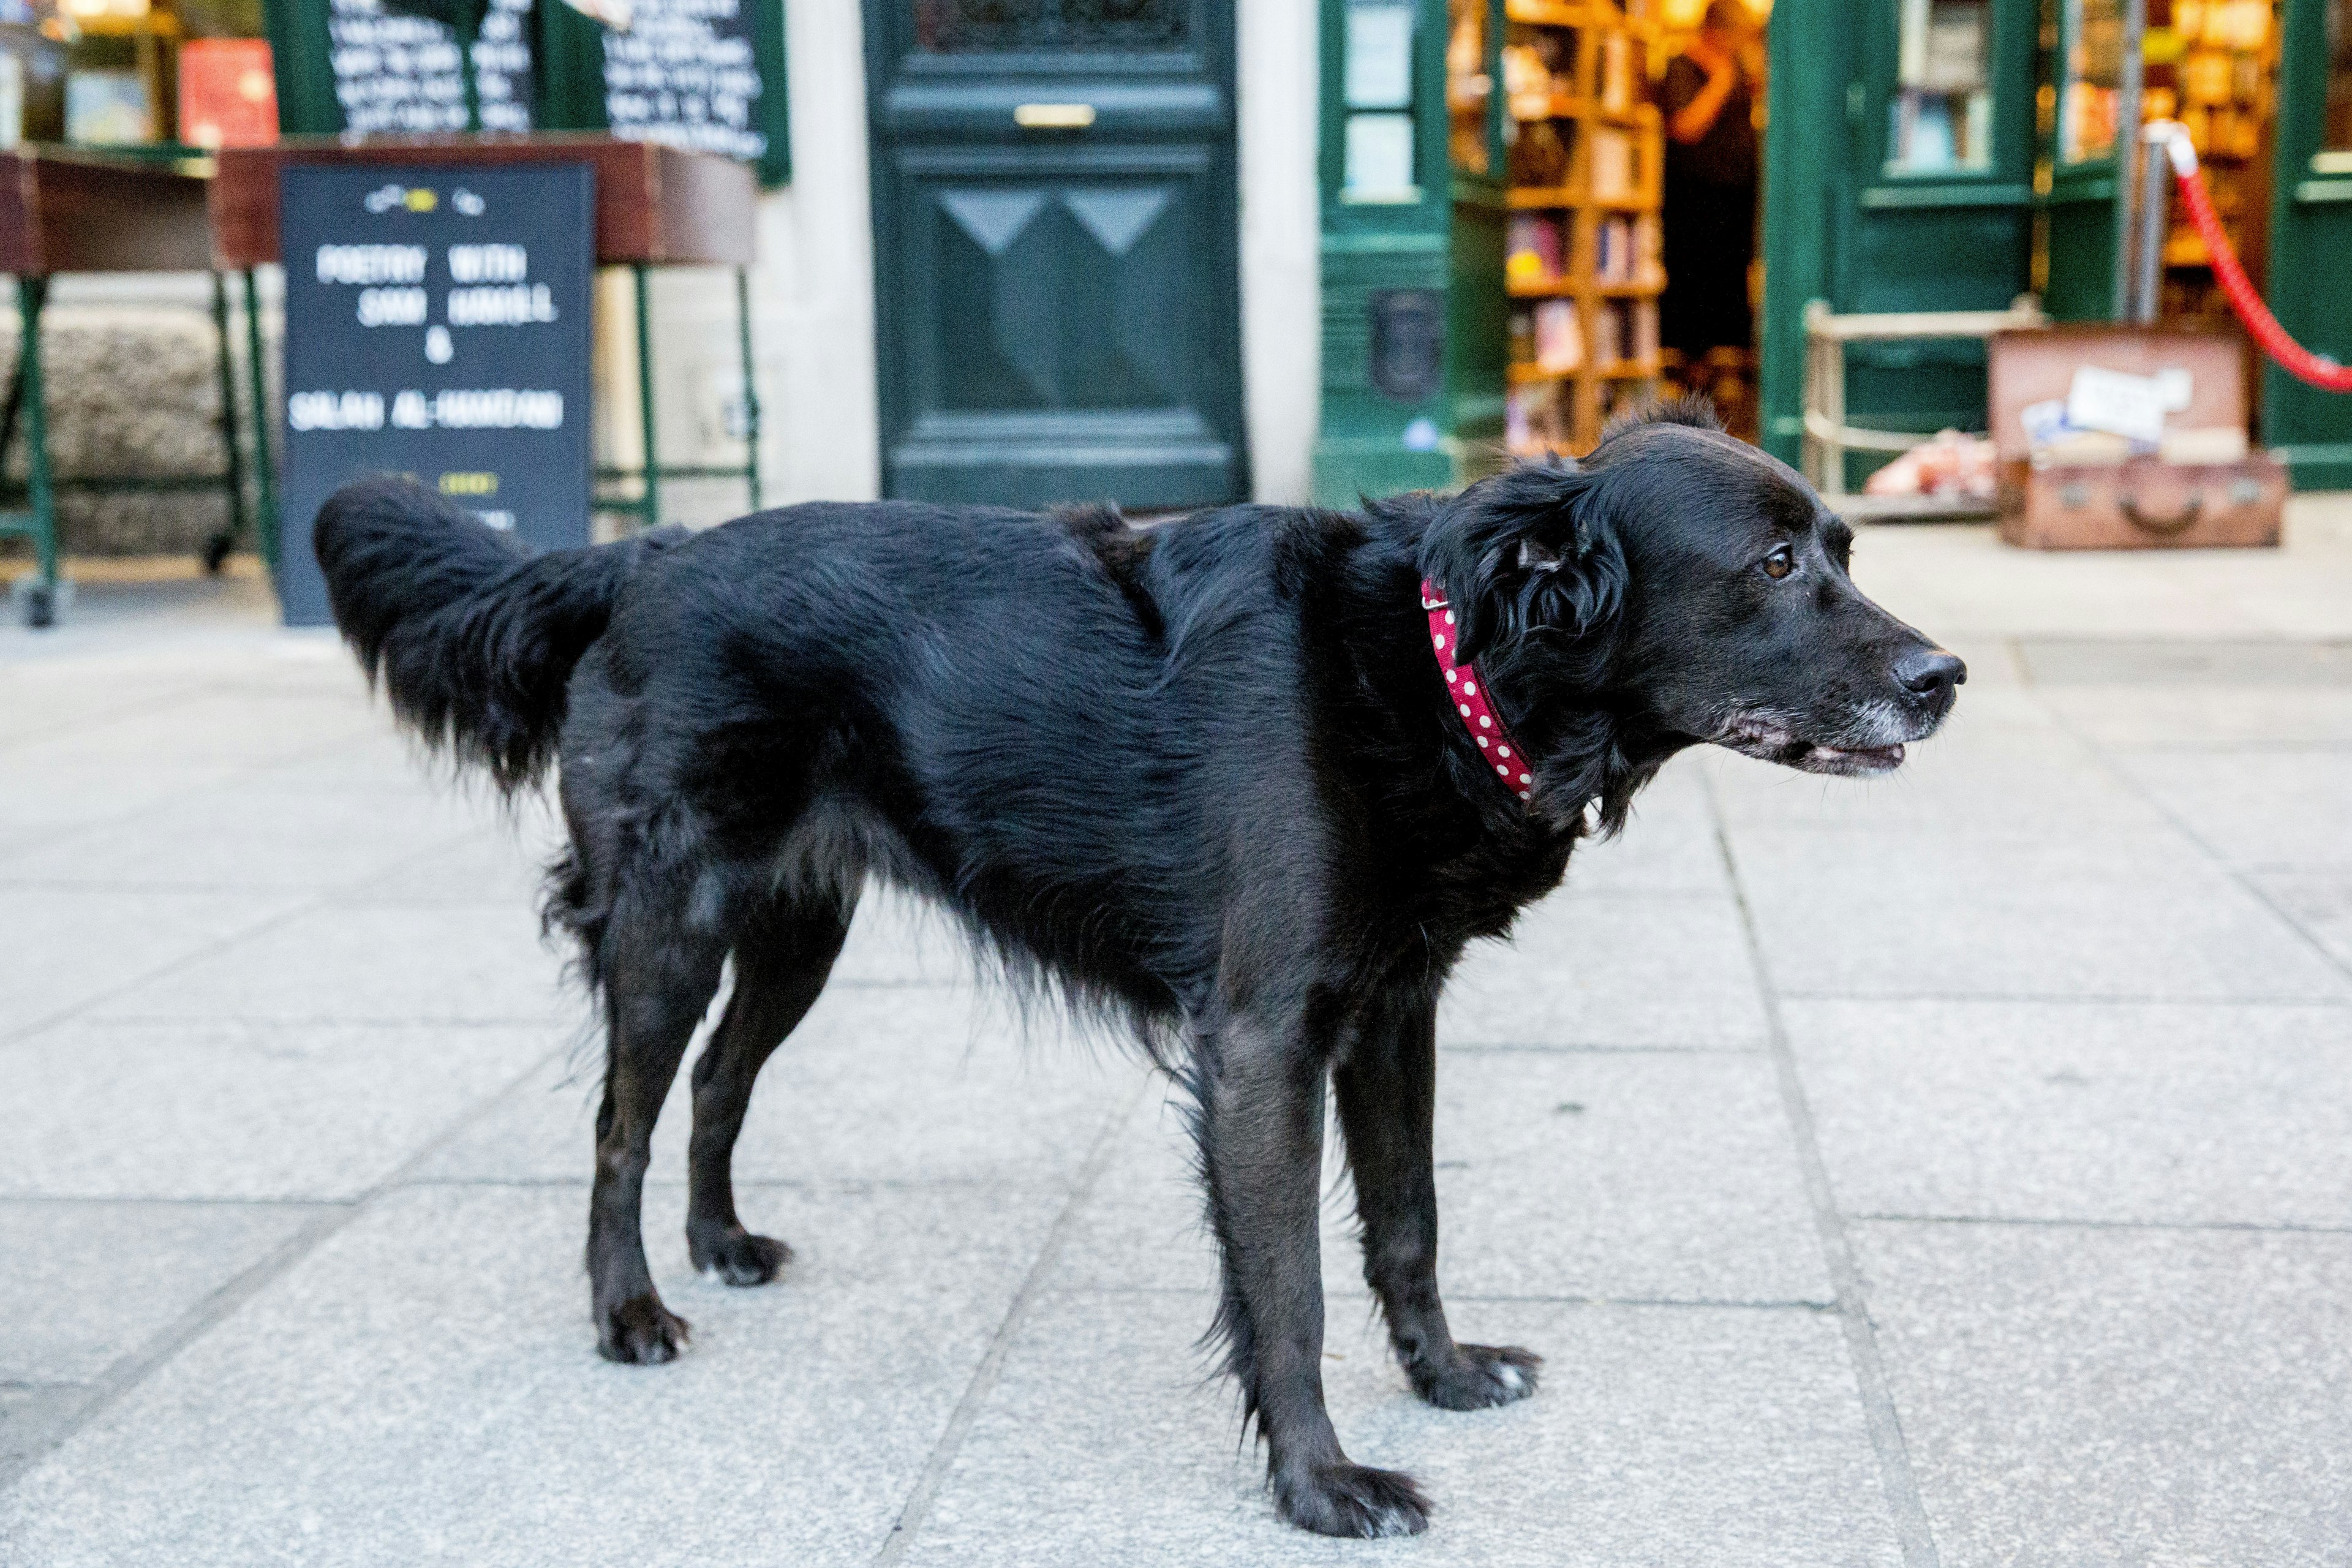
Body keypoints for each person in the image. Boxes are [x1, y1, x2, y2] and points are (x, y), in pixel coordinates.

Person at [1659, 1, 1760, 377]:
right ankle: (1694, 367)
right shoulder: (1681, 66)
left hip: (1734, 197)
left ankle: (1730, 364)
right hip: (1697, 200)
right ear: (1716, 32)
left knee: (1732, 282)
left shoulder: (1739, 68)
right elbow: (1686, 126)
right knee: (1694, 282)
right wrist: (1720, 82)